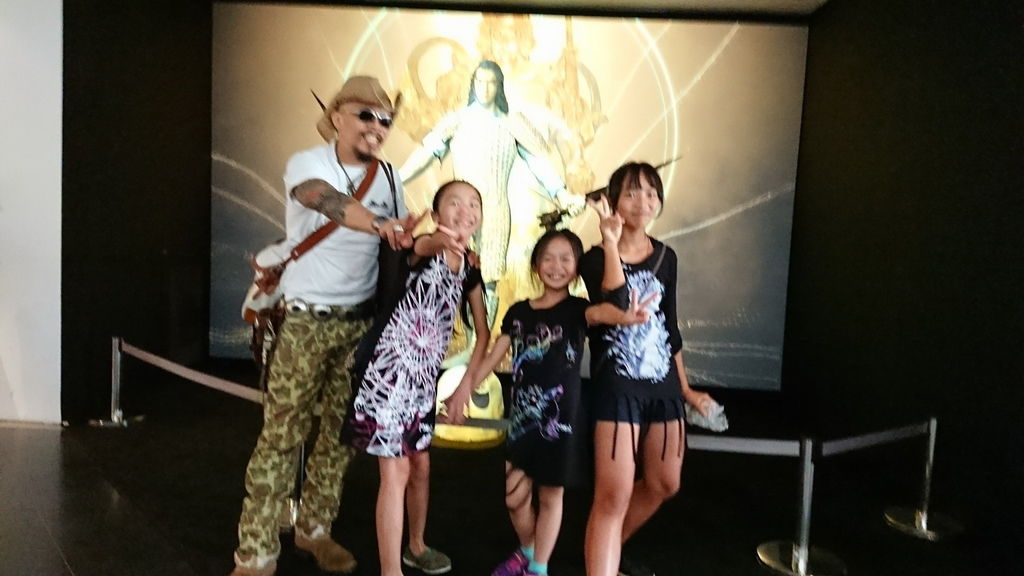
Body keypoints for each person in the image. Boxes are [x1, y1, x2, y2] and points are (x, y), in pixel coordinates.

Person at [229, 76, 421, 576]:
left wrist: (434, 241)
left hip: (359, 327)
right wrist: (377, 223)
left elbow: (400, 240)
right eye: (365, 114)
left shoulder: (391, 178)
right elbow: (323, 198)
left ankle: (315, 530)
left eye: (385, 119)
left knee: (338, 439)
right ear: (336, 116)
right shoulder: (308, 164)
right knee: (280, 437)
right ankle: (255, 554)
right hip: (306, 322)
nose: (376, 126)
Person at [463, 229, 653, 576]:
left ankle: (538, 568)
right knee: (514, 497)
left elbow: (602, 313)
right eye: (548, 258)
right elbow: (494, 356)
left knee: (551, 497)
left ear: (576, 268)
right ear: (536, 265)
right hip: (522, 420)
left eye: (566, 259)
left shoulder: (579, 310)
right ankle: (528, 549)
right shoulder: (519, 311)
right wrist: (464, 390)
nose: (556, 266)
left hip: (560, 421)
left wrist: (625, 317)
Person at [342, 180, 490, 576]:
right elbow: (422, 247)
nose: (465, 210)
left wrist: (464, 388)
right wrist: (435, 241)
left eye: (473, 204)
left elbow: (483, 334)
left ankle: (416, 546)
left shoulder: (470, 268)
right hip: (388, 375)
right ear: (437, 214)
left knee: (420, 465)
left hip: (423, 383)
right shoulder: (421, 250)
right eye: (454, 203)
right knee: (397, 471)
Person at [578, 162, 717, 576]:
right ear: (613, 201)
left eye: (652, 193)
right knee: (613, 494)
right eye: (632, 193)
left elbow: (669, 328)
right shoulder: (593, 259)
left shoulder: (667, 256)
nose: (644, 201)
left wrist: (686, 390)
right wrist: (610, 242)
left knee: (665, 482)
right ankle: (600, 563)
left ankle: (603, 550)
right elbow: (618, 301)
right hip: (617, 386)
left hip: (663, 386)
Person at [400, 60, 584, 326]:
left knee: (488, 278)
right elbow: (426, 153)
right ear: (473, 84)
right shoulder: (457, 120)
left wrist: (562, 194)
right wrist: (396, 179)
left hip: (496, 211)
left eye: (491, 83)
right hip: (457, 214)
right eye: (480, 81)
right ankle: (447, 335)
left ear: (499, 86)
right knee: (450, 269)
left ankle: (480, 340)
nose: (485, 88)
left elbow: (539, 162)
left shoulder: (512, 123)